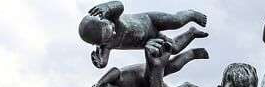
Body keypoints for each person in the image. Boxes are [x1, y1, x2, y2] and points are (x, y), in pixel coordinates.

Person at [79, 1, 207, 68]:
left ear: (103, 19)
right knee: (173, 48)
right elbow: (104, 61)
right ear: (99, 43)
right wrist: (100, 62)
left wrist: (107, 6)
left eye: (109, 28)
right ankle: (192, 33)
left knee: (177, 21)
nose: (113, 32)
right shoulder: (105, 46)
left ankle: (191, 14)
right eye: (108, 36)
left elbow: (119, 5)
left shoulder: (112, 17)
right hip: (150, 40)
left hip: (150, 20)